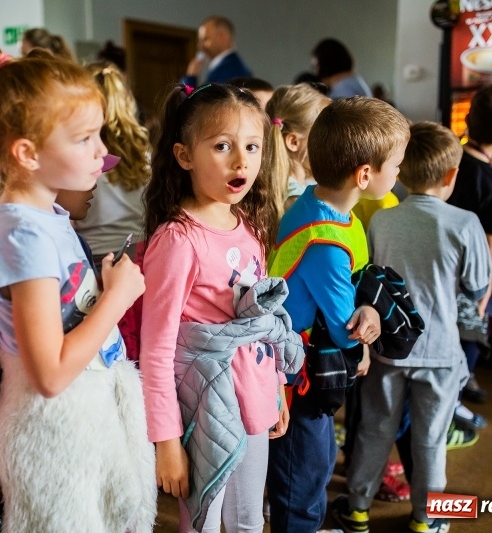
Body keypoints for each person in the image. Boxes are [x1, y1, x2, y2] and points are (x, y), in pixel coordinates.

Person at [0, 46, 156, 532]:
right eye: (85, 138)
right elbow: (48, 373)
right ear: (27, 152)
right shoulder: (23, 235)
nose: (100, 152)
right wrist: (115, 298)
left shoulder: (45, 217)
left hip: (83, 421)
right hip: (53, 433)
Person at [140, 82, 304, 533]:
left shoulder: (247, 225)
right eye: (222, 146)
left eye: (252, 147)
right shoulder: (177, 240)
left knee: (250, 517)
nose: (242, 161)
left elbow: (258, 317)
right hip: (202, 406)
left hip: (253, 396)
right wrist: (167, 440)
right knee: (204, 521)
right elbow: (156, 350)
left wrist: (275, 387)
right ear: (184, 155)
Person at [331, 121, 491, 533]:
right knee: (432, 439)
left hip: (388, 348)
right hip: (440, 353)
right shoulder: (465, 223)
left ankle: (358, 510)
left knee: (374, 429)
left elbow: (369, 278)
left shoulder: (383, 222)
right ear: (451, 175)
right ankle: (427, 519)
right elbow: (475, 288)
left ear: (401, 170)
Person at [265, 96, 409, 533]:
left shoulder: (319, 203)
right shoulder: (326, 239)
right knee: (302, 482)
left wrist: (363, 307)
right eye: (397, 164)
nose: (399, 171)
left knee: (320, 460)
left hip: (306, 364)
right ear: (365, 174)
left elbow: (349, 292)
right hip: (296, 378)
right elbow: (348, 327)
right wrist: (365, 336)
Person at [447, 82, 492, 435]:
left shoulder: (449, 162)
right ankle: (455, 401)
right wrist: (485, 294)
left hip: (439, 267)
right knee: (472, 338)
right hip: (469, 275)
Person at [73, 61, 152, 362]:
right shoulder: (147, 158)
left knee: (109, 354)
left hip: (94, 268)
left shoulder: (82, 158)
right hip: (141, 266)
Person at [264, 83, 332, 213]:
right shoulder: (297, 201)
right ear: (293, 142)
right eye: (325, 137)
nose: (332, 145)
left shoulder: (296, 189)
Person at [182, 16, 252, 88]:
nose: (200, 46)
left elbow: (203, 99)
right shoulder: (230, 67)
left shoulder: (230, 71)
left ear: (222, 37)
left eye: (206, 39)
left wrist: (190, 79)